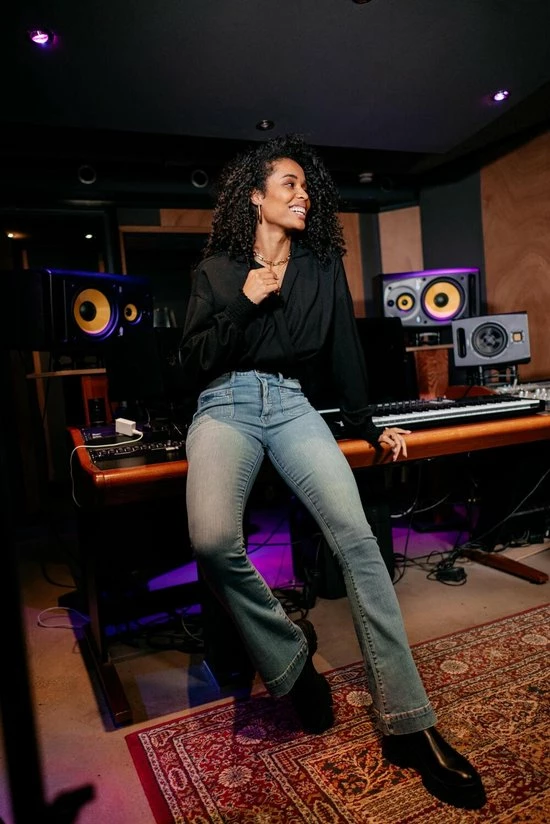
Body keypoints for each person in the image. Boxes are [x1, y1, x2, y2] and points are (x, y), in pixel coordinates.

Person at [178, 134, 486, 810]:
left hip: (294, 405)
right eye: (288, 184)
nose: (302, 195)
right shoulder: (218, 269)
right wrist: (245, 299)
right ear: (254, 195)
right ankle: (292, 662)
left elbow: (343, 349)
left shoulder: (321, 266)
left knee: (360, 543)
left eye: (305, 186)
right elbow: (192, 359)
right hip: (224, 404)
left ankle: (410, 723)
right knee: (212, 542)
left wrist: (367, 426)